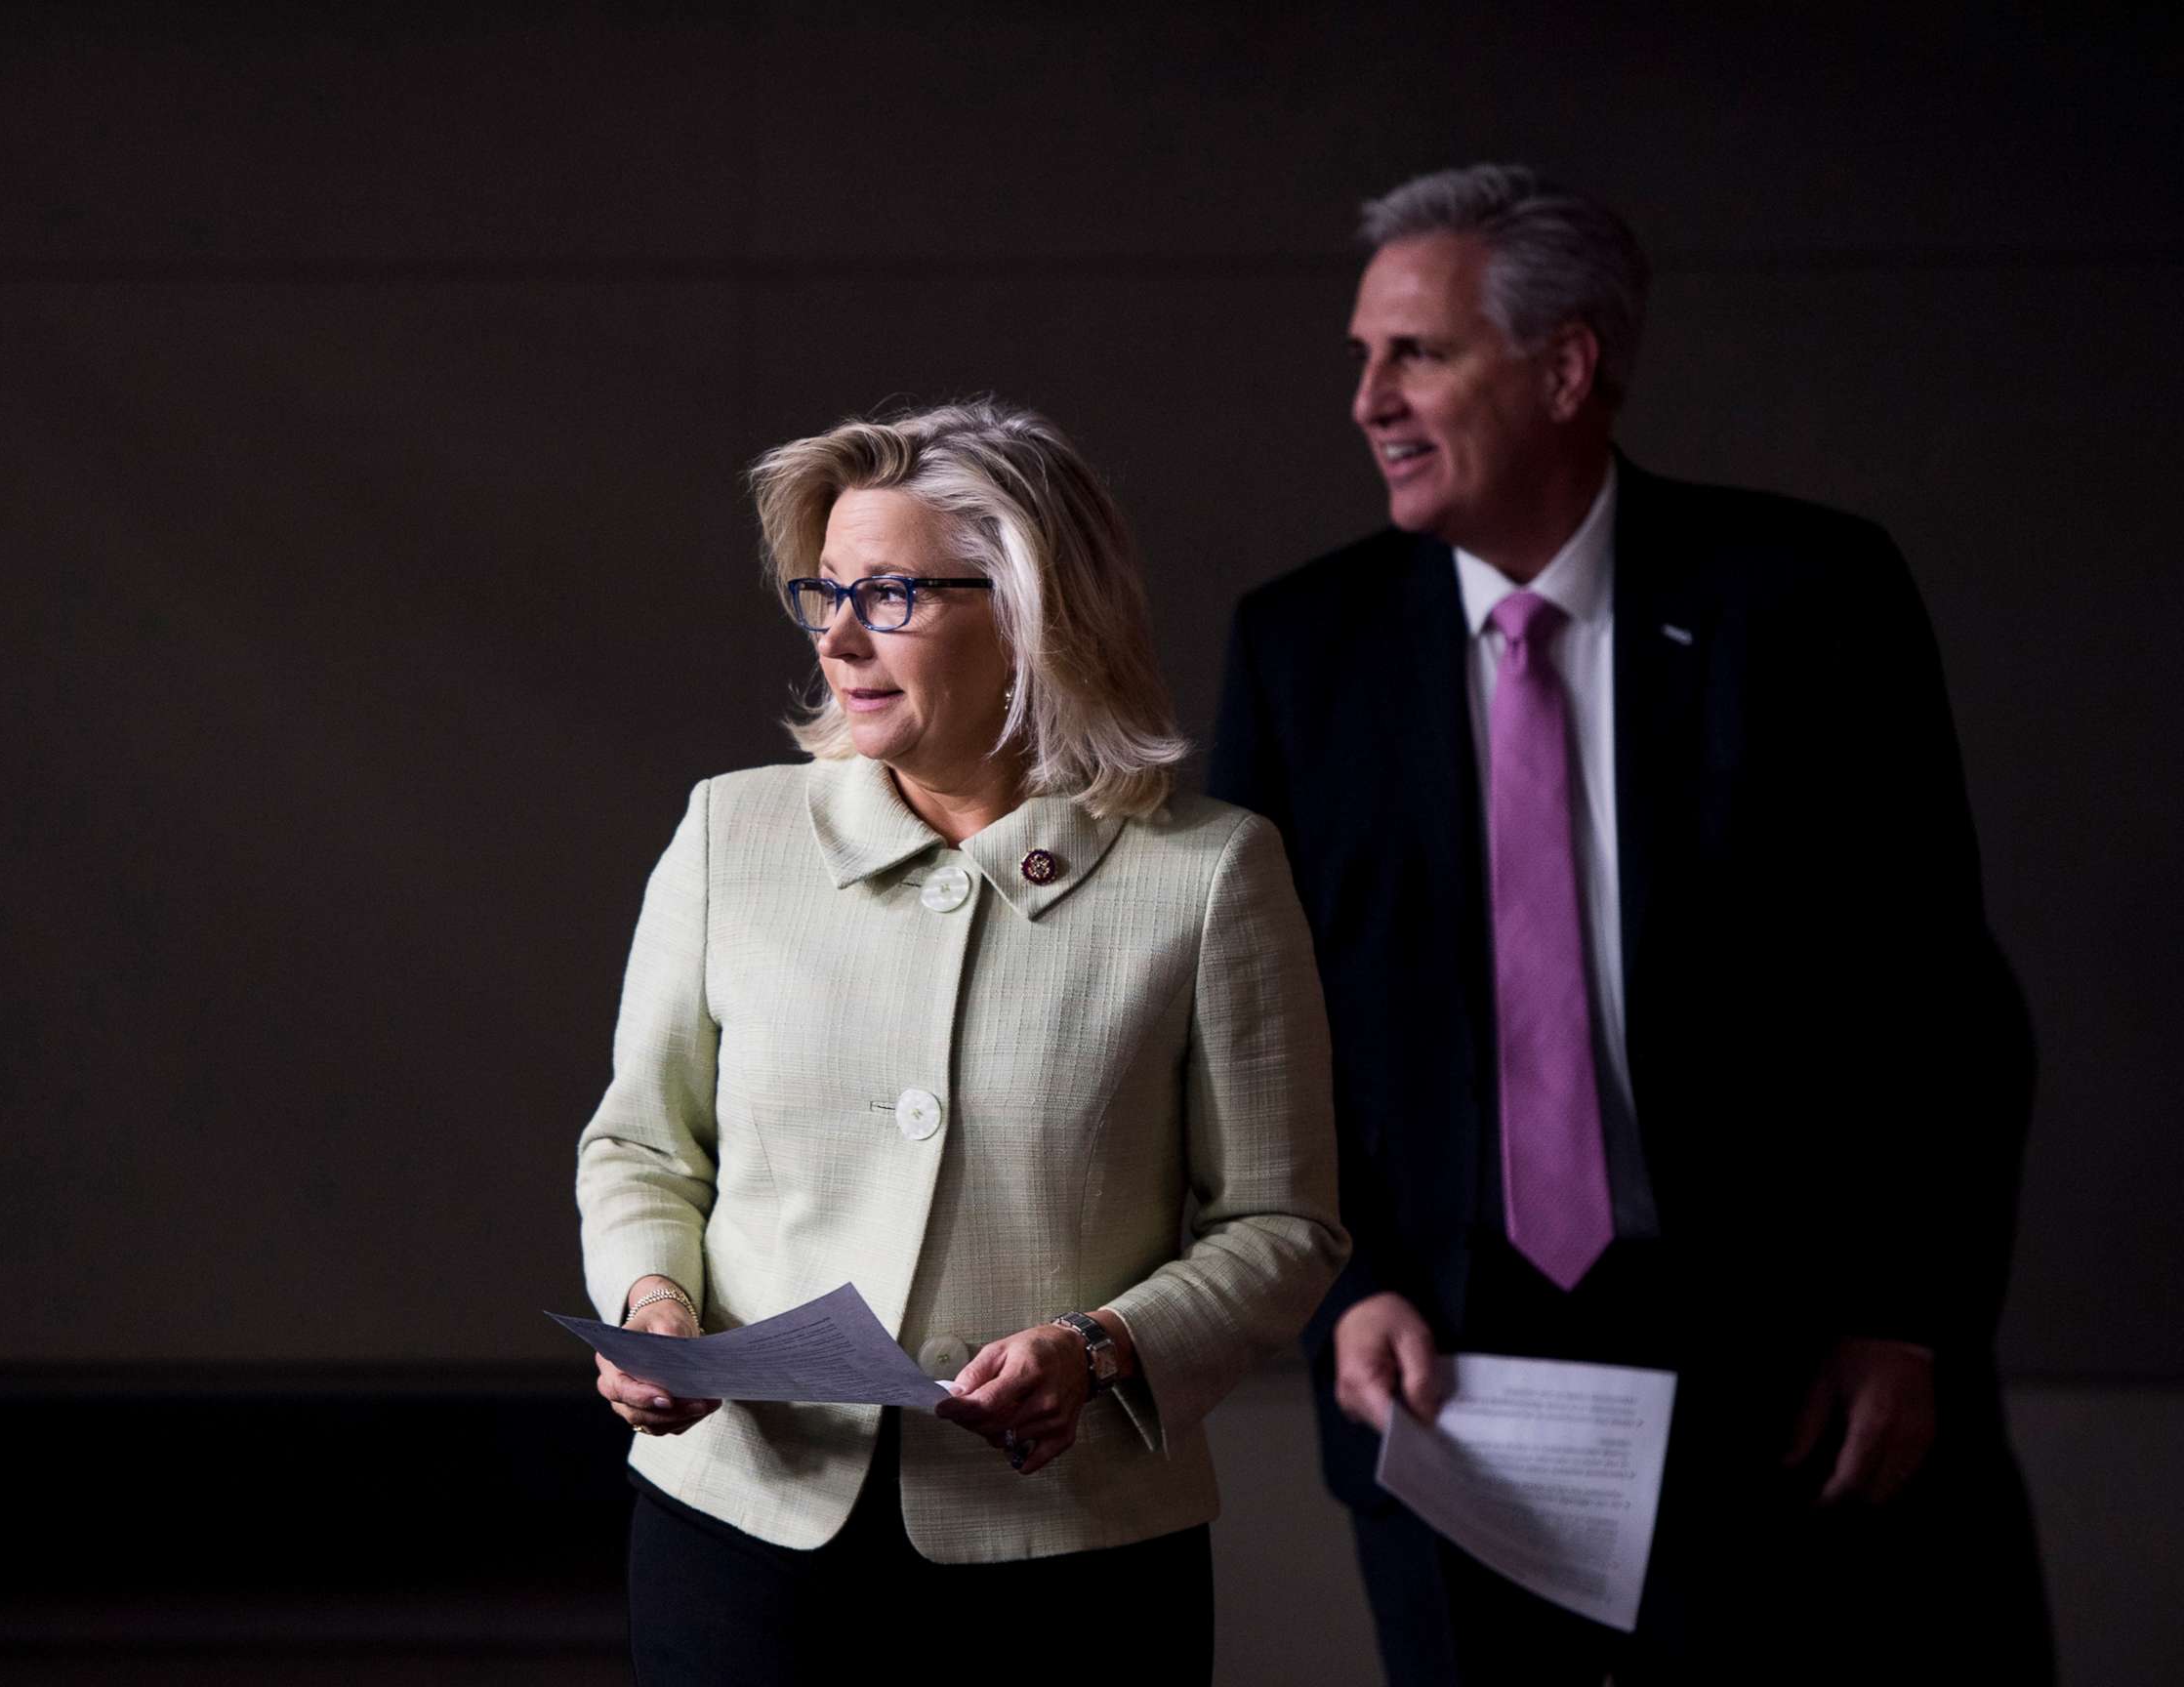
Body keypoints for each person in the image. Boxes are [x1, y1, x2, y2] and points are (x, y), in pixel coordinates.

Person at [1211, 165, 2051, 1682]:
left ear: (1567, 365)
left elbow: (1938, 997)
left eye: (1418, 352)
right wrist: (1342, 1285)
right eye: (1361, 356)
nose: (1368, 400)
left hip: (1782, 1368)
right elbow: (1253, 1030)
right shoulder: (1300, 648)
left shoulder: (1809, 597)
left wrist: (1904, 1318)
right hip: (1440, 1376)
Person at [578, 398, 1347, 1684]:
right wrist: (653, 1308)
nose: (836, 635)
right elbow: (644, 1146)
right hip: (745, 1535)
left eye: (888, 595)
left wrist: (1101, 1350)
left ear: (1033, 613)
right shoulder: (731, 833)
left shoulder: (1210, 875)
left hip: (1073, 1563)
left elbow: (1284, 1224)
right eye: (823, 590)